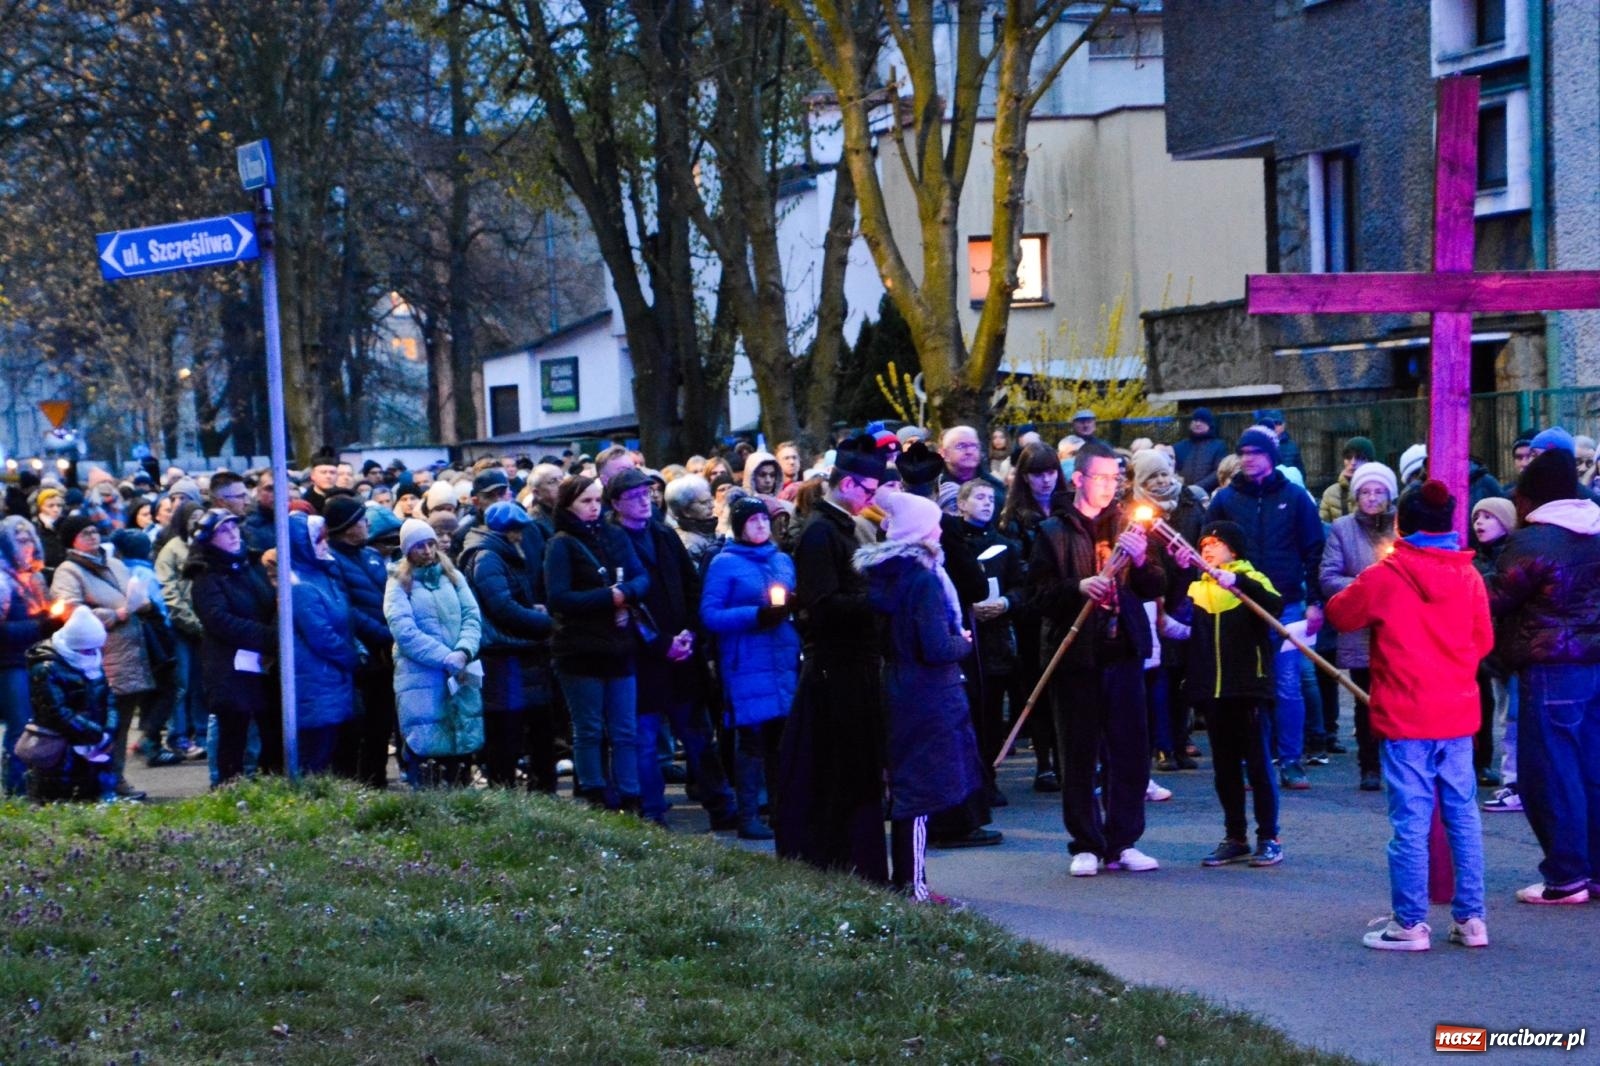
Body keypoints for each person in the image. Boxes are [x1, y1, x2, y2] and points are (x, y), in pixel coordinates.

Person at [1327, 480, 1493, 950]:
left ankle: (1411, 922)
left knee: (1411, 822)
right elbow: (1483, 642)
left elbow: (1341, 614)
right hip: (1458, 714)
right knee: (1463, 817)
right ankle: (1472, 919)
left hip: (1405, 715)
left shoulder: (1388, 574)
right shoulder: (1469, 576)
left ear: (1402, 524)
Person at [1030, 442, 1166, 876]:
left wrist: (1142, 560)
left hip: (1122, 651)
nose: (1110, 486)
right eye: (1101, 477)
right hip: (1075, 656)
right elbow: (1036, 596)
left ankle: (1123, 841)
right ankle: (1086, 841)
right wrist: (1077, 587)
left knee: (1129, 749)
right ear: (1079, 479)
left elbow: (1154, 585)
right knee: (1079, 749)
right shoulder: (1053, 530)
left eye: (1115, 478)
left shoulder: (1130, 526)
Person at [855, 492, 984, 903]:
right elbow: (936, 648)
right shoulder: (924, 580)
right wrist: (964, 641)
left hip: (896, 686)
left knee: (907, 788)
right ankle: (914, 887)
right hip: (926, 695)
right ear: (920, 531)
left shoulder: (886, 576)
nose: (941, 530)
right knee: (920, 795)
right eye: (934, 524)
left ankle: (909, 882)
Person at [775, 435, 891, 881]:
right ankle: (832, 857)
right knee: (835, 768)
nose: (870, 498)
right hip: (835, 667)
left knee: (856, 768)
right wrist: (878, 597)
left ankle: (855, 858)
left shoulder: (842, 526)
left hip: (855, 662)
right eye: (865, 489)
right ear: (844, 484)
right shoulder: (820, 532)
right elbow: (822, 605)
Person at [1487, 448, 1600, 904]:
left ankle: (1565, 874)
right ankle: (1591, 869)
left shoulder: (1533, 542)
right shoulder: (1594, 529)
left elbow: (1495, 599)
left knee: (1551, 773)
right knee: (1591, 768)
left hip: (1551, 664)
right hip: (1593, 663)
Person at [607, 468, 736, 828]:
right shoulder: (612, 540)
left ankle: (721, 805)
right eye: (634, 497)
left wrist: (690, 634)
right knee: (645, 741)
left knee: (697, 737)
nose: (645, 501)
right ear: (616, 503)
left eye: (647, 494)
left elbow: (691, 587)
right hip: (642, 657)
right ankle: (652, 813)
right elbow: (625, 605)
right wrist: (663, 643)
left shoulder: (663, 535)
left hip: (681, 652)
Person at [1205, 426, 1325, 790]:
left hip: (1286, 603)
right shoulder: (1225, 499)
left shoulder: (1296, 498)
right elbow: (1208, 547)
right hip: (1236, 604)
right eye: (1242, 452)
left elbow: (1314, 550)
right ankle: (1248, 761)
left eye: (1255, 452)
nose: (1247, 458)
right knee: (1244, 690)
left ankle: (1291, 761)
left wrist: (1316, 601)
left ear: (1271, 456)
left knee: (1288, 686)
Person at [543, 476, 648, 810]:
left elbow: (641, 577)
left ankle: (630, 794)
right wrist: (609, 598)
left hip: (618, 645)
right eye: (586, 501)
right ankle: (594, 793)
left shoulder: (613, 534)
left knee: (625, 729)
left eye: (597, 500)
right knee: (589, 728)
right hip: (580, 649)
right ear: (569, 504)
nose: (594, 508)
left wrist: (625, 595)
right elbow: (559, 597)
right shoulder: (561, 543)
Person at [1184, 520, 1284, 867]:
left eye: (1216, 542)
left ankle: (1269, 836)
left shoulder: (1252, 578)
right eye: (1204, 543)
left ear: (1234, 548)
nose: (1208, 548)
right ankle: (1235, 836)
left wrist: (1238, 582)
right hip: (1214, 692)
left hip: (1249, 689)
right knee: (1224, 769)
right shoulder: (1197, 588)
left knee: (1258, 766)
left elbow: (1275, 606)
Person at [700, 495, 799, 840]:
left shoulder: (782, 559)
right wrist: (756, 615)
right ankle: (748, 814)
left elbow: (793, 597)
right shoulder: (724, 563)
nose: (761, 526)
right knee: (751, 741)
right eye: (753, 521)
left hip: (781, 658)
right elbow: (710, 615)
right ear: (739, 526)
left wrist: (791, 607)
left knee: (779, 740)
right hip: (747, 660)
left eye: (764, 520)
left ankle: (782, 809)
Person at [50, 512, 158, 799]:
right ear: (71, 540)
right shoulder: (68, 571)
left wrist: (142, 604)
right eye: (85, 533)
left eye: (95, 531)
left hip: (131, 652)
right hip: (99, 656)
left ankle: (115, 778)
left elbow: (132, 594)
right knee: (103, 724)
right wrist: (117, 614)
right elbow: (70, 611)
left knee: (121, 724)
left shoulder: (114, 563)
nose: (93, 536)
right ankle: (103, 783)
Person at [459, 500, 556, 791]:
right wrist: (546, 622)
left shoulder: (497, 552)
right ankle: (506, 792)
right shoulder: (488, 556)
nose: (523, 535)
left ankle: (526, 789)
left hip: (517, 651)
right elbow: (502, 606)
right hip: (504, 654)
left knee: (525, 726)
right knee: (507, 729)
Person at [385, 519, 484, 788]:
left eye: (430, 544)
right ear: (407, 550)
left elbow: (472, 617)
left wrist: (463, 650)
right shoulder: (398, 583)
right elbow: (404, 631)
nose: (427, 551)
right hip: (421, 677)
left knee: (460, 741)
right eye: (419, 546)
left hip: (459, 671)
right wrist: (444, 656)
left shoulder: (452, 576)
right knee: (426, 742)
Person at [1319, 461, 1398, 791]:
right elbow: (1328, 577)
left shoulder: (1400, 527)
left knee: (1396, 698)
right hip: (1362, 627)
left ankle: (1396, 762)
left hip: (1397, 628)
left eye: (1379, 491)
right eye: (1365, 491)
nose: (1372, 498)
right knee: (1366, 699)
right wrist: (1368, 585)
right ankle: (1369, 764)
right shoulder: (1342, 528)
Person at [186, 508, 280, 784]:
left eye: (234, 527)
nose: (232, 534)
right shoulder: (205, 576)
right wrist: (268, 636)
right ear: (208, 539)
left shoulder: (250, 565)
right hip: (229, 665)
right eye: (223, 531)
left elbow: (270, 602)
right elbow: (219, 620)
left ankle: (270, 785)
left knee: (270, 728)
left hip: (263, 661)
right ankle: (229, 788)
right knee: (234, 732)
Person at [997, 441, 1069, 791]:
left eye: (1051, 472)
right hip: (1032, 614)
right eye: (1037, 473)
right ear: (1024, 477)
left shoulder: (1066, 509)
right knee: (1037, 689)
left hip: (1064, 605)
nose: (1046, 480)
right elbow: (1019, 568)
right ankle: (1044, 762)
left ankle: (1067, 758)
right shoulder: (1013, 520)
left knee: (1066, 688)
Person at [324, 495, 398, 787]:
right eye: (360, 519)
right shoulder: (332, 560)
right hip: (363, 656)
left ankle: (377, 781)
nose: (367, 524)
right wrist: (383, 633)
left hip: (385, 656)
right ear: (346, 527)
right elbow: (346, 608)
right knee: (361, 727)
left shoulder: (370, 555)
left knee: (381, 726)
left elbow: (388, 597)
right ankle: (359, 787)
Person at [283, 514, 359, 774]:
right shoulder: (300, 585)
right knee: (316, 756)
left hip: (331, 677)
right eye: (318, 540)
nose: (325, 545)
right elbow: (321, 635)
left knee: (329, 752)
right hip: (318, 679)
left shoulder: (322, 574)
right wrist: (351, 657)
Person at [23, 606, 120, 802]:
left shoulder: (91, 660)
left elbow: (109, 699)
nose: (93, 653)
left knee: (92, 792)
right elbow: (56, 712)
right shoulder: (46, 668)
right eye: (88, 649)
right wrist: (97, 734)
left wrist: (109, 730)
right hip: (61, 748)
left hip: (92, 744)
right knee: (60, 797)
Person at [0, 517, 55, 794]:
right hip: (10, 666)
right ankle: (16, 791)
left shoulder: (34, 577)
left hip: (34, 662)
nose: (29, 544)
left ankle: (36, 788)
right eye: (20, 540)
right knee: (20, 728)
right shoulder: (1, 580)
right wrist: (39, 626)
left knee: (36, 726)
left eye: (31, 538)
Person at [1471, 497, 1519, 806]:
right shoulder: (1478, 557)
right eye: (1477, 516)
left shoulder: (1512, 557)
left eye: (1489, 517)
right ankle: (1510, 778)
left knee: (1513, 717)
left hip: (1511, 652)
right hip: (1494, 654)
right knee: (1504, 713)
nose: (1480, 523)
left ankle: (1515, 781)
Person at [936, 426, 1006, 516]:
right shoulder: (932, 486)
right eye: (961, 446)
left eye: (974, 446)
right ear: (944, 453)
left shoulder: (996, 487)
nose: (969, 451)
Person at [1318, 437, 1376, 524]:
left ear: (1370, 462)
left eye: (1359, 458)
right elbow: (1323, 528)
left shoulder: (1379, 492)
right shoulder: (1330, 493)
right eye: (1348, 457)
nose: (1353, 463)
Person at [1173, 408, 1228, 495]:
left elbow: (1218, 471)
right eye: (1195, 420)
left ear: (1210, 424)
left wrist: (1196, 488)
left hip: (1207, 495)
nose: (1198, 424)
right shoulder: (1179, 446)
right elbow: (1173, 469)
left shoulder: (1218, 446)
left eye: (1203, 421)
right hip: (1181, 494)